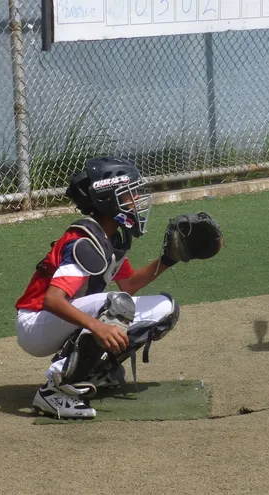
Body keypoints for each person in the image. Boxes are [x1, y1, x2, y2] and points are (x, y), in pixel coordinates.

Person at [14, 156, 181, 419]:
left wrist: (169, 259)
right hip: (36, 324)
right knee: (115, 305)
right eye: (130, 193)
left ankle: (94, 372)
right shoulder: (85, 241)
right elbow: (53, 300)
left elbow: (129, 284)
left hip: (62, 316)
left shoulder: (111, 236)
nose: (136, 199)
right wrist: (97, 326)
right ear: (108, 199)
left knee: (165, 309)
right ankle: (53, 391)